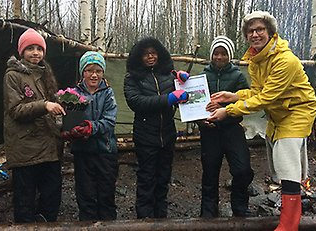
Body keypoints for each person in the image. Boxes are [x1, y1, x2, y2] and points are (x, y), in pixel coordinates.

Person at [208, 11, 316, 230]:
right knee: (280, 165)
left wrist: (228, 110)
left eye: (259, 29)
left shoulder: (284, 60)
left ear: (270, 32)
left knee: (287, 165)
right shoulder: (257, 59)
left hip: (297, 111)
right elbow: (258, 91)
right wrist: (235, 96)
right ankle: (288, 210)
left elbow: (267, 97)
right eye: (250, 31)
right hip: (278, 114)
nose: (255, 34)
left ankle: (289, 224)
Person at [3, 28, 65, 223]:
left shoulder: (46, 74)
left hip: (49, 146)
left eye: (39, 48)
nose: (35, 53)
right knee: (24, 200)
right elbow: (16, 110)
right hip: (26, 149)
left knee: (52, 196)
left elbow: (53, 107)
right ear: (22, 51)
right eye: (30, 48)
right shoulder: (13, 76)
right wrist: (45, 105)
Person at [124, 37, 189, 219]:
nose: (150, 57)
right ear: (139, 57)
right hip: (146, 136)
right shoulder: (133, 77)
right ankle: (144, 219)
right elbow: (136, 102)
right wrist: (168, 99)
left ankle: (161, 218)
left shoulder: (168, 74)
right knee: (146, 179)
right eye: (146, 54)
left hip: (167, 135)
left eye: (153, 53)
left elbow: (184, 97)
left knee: (163, 179)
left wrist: (184, 83)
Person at [198, 36, 254, 218]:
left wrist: (225, 111)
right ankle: (208, 212)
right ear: (211, 55)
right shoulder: (202, 77)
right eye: (216, 53)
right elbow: (194, 105)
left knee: (242, 169)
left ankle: (239, 207)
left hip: (232, 130)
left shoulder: (238, 77)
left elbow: (247, 104)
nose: (219, 57)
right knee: (210, 172)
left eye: (223, 54)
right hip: (210, 132)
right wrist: (200, 120)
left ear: (229, 56)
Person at [61, 51, 119, 221]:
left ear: (103, 73)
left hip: (105, 151)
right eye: (89, 70)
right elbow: (67, 119)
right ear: (82, 72)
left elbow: (109, 121)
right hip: (82, 152)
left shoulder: (108, 93)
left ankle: (108, 224)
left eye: (98, 71)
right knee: (85, 195)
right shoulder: (72, 94)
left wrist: (91, 127)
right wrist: (69, 131)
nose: (94, 75)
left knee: (106, 194)